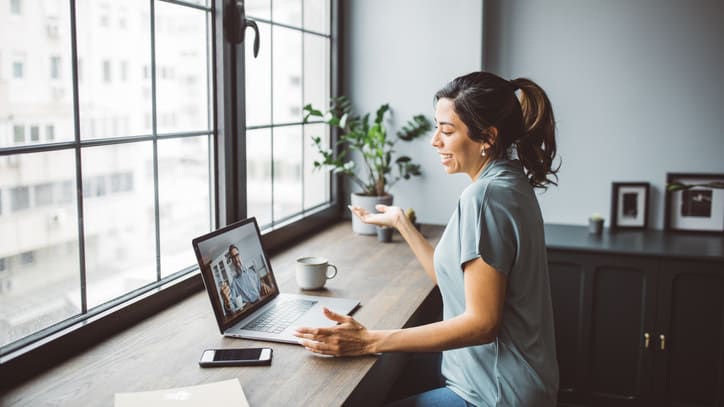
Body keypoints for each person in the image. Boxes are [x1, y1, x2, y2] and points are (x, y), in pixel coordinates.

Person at [294, 71, 560, 406]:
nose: (435, 140)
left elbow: (482, 324)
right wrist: (402, 223)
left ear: (488, 137)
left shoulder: (485, 197)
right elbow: (457, 285)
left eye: (447, 131)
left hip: (494, 394)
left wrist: (368, 340)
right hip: (508, 381)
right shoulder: (509, 180)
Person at [222, 245, 272, 311]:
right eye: (233, 257)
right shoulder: (234, 284)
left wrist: (264, 286)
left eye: (237, 255)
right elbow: (232, 307)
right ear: (232, 261)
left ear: (240, 256)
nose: (236, 259)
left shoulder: (252, 272)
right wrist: (227, 302)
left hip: (262, 305)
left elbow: (260, 287)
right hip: (250, 311)